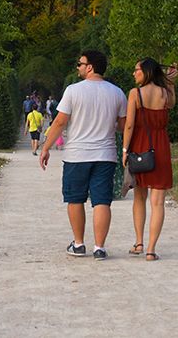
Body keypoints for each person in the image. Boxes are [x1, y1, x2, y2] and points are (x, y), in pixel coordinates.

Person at [38, 50, 127, 261]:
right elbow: (123, 126)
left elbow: (60, 122)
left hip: (77, 155)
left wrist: (46, 147)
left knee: (75, 199)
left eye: (80, 64)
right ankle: (99, 247)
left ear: (90, 67)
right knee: (102, 201)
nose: (78, 67)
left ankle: (78, 244)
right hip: (105, 155)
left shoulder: (73, 91)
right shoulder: (117, 93)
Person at [122, 58, 177, 260]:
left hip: (140, 148)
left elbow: (129, 124)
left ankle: (139, 243)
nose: (134, 73)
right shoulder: (165, 93)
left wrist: (125, 149)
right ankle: (151, 250)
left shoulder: (135, 94)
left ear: (146, 71)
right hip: (160, 147)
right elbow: (172, 104)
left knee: (139, 196)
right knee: (158, 202)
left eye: (136, 70)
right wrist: (170, 82)